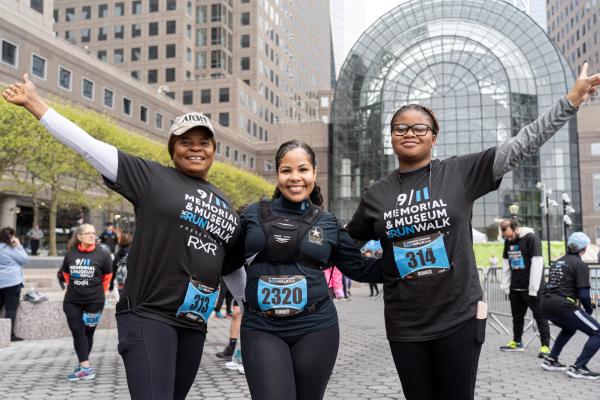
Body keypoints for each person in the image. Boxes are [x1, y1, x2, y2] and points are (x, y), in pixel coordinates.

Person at [345, 64, 600, 400]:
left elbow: (522, 143)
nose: (409, 133)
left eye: (419, 127)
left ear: (434, 136)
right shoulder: (377, 193)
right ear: (391, 136)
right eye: (400, 128)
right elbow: (344, 246)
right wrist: (382, 270)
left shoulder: (461, 172)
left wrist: (570, 101)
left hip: (459, 318)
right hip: (405, 324)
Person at [3, 74, 245, 400]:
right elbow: (87, 145)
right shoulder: (150, 177)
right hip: (148, 315)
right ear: (172, 148)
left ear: (214, 150)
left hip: (193, 323)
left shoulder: (227, 207)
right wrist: (35, 103)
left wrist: (260, 316)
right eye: (186, 141)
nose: (195, 149)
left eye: (204, 142)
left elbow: (232, 270)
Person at [236, 140, 382, 400]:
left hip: (316, 328)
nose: (295, 178)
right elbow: (225, 262)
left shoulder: (328, 222)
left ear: (314, 173)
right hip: (261, 327)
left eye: (302, 170)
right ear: (277, 174)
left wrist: (404, 263)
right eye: (286, 170)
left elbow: (359, 268)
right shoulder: (252, 214)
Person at [540, 232, 600, 380]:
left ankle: (551, 359)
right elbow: (584, 294)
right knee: (598, 332)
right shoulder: (580, 264)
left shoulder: (558, 261)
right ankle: (578, 367)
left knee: (570, 328)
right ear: (584, 248)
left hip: (545, 302)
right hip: (562, 304)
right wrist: (588, 311)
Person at [60, 223, 113, 381]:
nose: (92, 235)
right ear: (79, 236)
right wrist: (74, 286)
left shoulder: (102, 255)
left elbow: (108, 276)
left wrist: (101, 292)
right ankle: (86, 367)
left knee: (88, 332)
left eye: (93, 233)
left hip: (94, 301)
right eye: (88, 233)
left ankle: (83, 364)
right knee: (78, 331)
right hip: (72, 301)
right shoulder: (71, 254)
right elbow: (65, 273)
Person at [499, 219, 551, 357]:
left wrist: (533, 288)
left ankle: (545, 346)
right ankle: (517, 342)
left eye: (510, 235)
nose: (509, 239)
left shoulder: (531, 239)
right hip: (516, 288)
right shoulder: (508, 241)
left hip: (532, 288)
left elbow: (537, 262)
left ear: (515, 228)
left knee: (540, 317)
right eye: (506, 237)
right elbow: (506, 263)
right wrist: (505, 286)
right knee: (517, 317)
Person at [0, 227, 28, 341]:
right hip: (12, 283)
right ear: (11, 238)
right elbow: (24, 259)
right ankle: (9, 335)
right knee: (11, 308)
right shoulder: (10, 249)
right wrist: (19, 245)